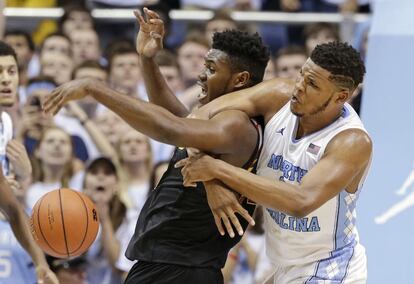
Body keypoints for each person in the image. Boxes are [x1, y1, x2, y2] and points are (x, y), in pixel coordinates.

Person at [43, 7, 269, 283]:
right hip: (172, 266)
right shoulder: (217, 121)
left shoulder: (237, 124)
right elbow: (175, 115)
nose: (201, 76)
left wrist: (96, 88)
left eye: (211, 69)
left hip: (178, 269)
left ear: (241, 79)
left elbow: (168, 128)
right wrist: (148, 59)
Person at [177, 41, 371, 283]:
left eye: (312, 84)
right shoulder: (278, 95)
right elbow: (199, 118)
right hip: (284, 266)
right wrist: (212, 183)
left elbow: (300, 202)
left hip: (330, 267)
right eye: (302, 74)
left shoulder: (351, 142)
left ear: (340, 97)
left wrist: (217, 169)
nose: (299, 87)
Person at [0, 41, 58, 283]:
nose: (6, 80)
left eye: (11, 71)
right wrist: (40, 262)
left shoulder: (6, 121)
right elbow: (11, 207)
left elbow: (10, 205)